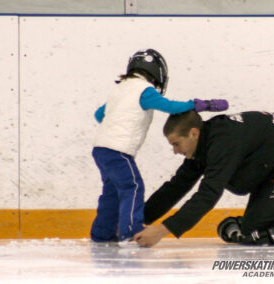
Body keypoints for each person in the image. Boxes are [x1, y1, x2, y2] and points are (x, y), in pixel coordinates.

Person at [135, 110, 274, 247]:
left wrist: (163, 230)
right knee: (252, 230)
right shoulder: (205, 143)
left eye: (176, 144)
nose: (175, 151)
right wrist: (139, 219)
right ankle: (252, 223)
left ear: (193, 133)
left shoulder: (222, 143)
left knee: (258, 232)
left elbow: (208, 193)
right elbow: (177, 186)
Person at [91, 49, 228, 244]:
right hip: (118, 151)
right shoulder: (143, 90)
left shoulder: (119, 89)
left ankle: (101, 235)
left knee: (111, 192)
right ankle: (131, 234)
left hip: (100, 149)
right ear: (157, 74)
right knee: (133, 186)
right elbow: (170, 106)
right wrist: (201, 105)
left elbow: (99, 115)